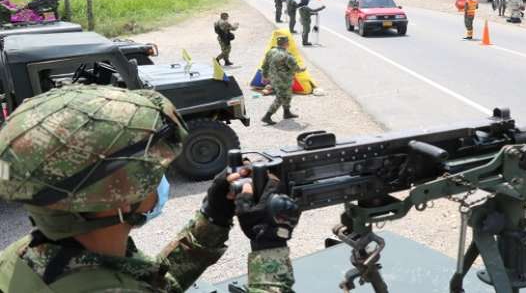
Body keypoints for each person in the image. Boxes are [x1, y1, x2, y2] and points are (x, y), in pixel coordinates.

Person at [0, 85, 301, 293]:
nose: (162, 177)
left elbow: (153, 283)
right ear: (117, 196)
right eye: (154, 169)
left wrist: (213, 217)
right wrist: (269, 247)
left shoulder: (32, 254)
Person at [261, 35, 306, 125]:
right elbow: (295, 68)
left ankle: (287, 112)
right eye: (288, 42)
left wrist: (265, 76)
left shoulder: (271, 51)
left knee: (288, 94)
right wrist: (303, 69)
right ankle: (267, 116)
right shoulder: (287, 55)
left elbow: (265, 65)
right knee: (281, 98)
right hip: (283, 80)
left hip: (274, 78)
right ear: (286, 43)